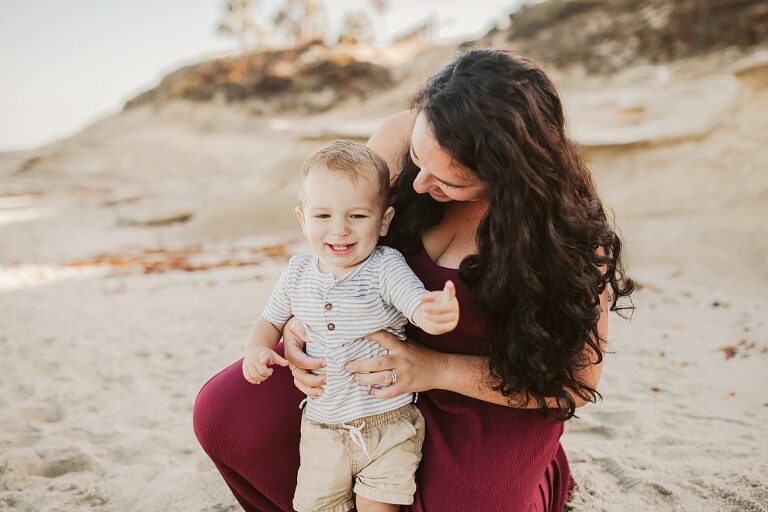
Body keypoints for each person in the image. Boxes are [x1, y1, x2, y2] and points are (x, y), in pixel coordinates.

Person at [193, 48, 634, 512]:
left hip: (481, 397)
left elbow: (576, 381)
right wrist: (299, 325)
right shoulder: (398, 138)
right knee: (226, 417)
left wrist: (436, 369)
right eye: (419, 159)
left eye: (449, 182)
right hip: (357, 371)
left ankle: (542, 475)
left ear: (508, 175)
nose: (418, 185)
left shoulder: (565, 238)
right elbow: (335, 235)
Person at [242, 139, 459, 512]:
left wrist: (436, 314)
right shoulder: (297, 273)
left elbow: (415, 305)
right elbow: (269, 321)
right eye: (323, 216)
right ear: (303, 219)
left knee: (378, 506)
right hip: (322, 428)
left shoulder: (385, 267)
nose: (339, 230)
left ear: (384, 221)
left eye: (357, 216)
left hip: (388, 424)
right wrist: (256, 350)